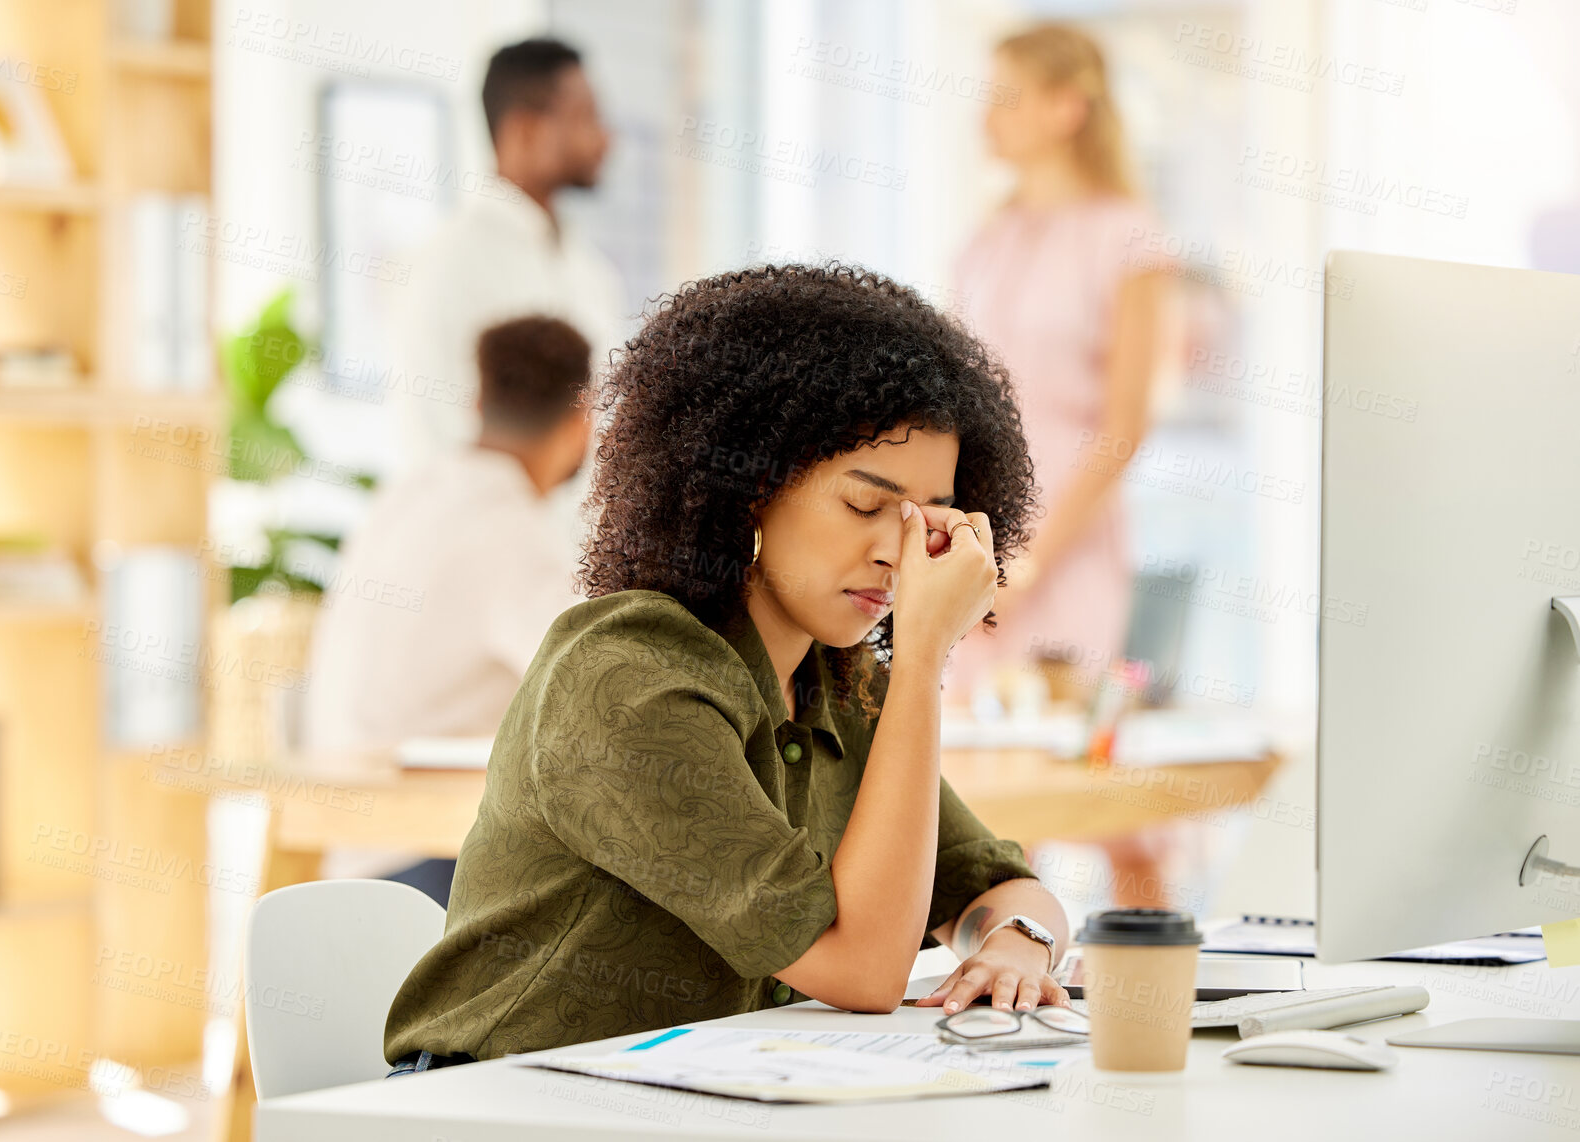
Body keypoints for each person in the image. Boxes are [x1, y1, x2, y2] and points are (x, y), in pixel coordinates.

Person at [381, 264, 1070, 1074]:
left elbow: (994, 884)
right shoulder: (629, 677)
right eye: (862, 504)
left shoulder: (835, 681)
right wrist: (921, 659)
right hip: (494, 1108)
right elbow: (861, 968)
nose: (897, 552)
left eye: (927, 519)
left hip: (695, 1098)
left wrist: (1018, 946)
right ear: (746, 488)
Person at [943, 23, 1182, 908]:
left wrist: (1034, 556)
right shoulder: (987, 238)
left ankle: (1162, 993)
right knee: (988, 800)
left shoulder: (1128, 240)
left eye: (1007, 95)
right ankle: (1007, 994)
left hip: (1069, 552)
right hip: (979, 538)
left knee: (1089, 782)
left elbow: (1125, 428)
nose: (987, 115)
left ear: (1066, 108)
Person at [302, 317, 594, 902]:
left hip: (340, 851)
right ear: (583, 420)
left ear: (478, 399)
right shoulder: (512, 531)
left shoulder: (404, 497)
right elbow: (592, 682)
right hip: (424, 864)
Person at [392, 37, 625, 476]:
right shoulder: (450, 263)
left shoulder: (589, 269)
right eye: (585, 116)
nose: (605, 137)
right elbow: (439, 438)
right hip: (490, 536)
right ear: (525, 129)